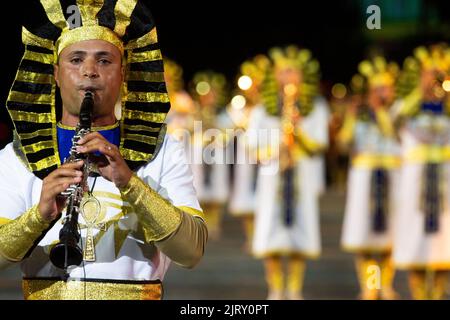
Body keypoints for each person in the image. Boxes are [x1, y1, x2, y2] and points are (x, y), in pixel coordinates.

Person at [0, 0, 207, 300]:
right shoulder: (17, 156)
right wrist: (40, 216)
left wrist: (129, 183)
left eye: (104, 61)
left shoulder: (162, 150)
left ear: (123, 74)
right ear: (55, 75)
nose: (90, 71)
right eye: (76, 60)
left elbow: (192, 252)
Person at [248, 46, 328, 300]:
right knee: (270, 230)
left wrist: (298, 131)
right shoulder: (262, 110)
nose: (290, 78)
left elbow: (321, 144)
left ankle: (294, 288)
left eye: (294, 72)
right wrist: (276, 146)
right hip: (273, 174)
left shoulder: (315, 108)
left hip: (301, 174)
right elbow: (252, 147)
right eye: (284, 72)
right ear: (276, 77)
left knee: (299, 232)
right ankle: (275, 287)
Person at [338, 57, 401, 300]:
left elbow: (395, 135)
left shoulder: (398, 112)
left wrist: (380, 111)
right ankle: (369, 285)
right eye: (376, 89)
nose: (381, 93)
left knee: (389, 236)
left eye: (385, 88)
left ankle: (386, 284)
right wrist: (352, 117)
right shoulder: (360, 114)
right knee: (365, 237)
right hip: (364, 178)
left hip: (391, 177)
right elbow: (344, 144)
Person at [392, 44, 450, 300]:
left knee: (443, 245)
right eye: (430, 73)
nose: (434, 78)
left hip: (445, 182)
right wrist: (420, 91)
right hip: (414, 183)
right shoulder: (407, 106)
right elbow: (392, 121)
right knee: (414, 240)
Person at [227, 55, 270, 252]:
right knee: (246, 197)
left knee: (265, 195)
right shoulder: (241, 105)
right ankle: (251, 237)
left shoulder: (268, 107)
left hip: (266, 155)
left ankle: (263, 236)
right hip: (246, 157)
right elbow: (231, 124)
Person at [189, 71, 231, 240]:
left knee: (216, 188)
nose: (209, 98)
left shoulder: (222, 113)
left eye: (212, 94)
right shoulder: (194, 111)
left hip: (217, 152)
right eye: (205, 94)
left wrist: (218, 133)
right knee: (199, 188)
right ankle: (202, 222)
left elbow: (231, 130)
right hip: (199, 153)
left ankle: (214, 223)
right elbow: (186, 129)